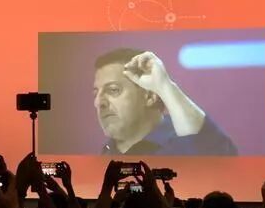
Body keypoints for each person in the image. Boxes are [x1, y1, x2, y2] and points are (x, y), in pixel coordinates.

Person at [93, 48, 237, 155]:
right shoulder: (103, 157)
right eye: (96, 93)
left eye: (113, 90)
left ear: (150, 96)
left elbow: (218, 158)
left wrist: (164, 85)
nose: (99, 102)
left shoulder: (188, 146)